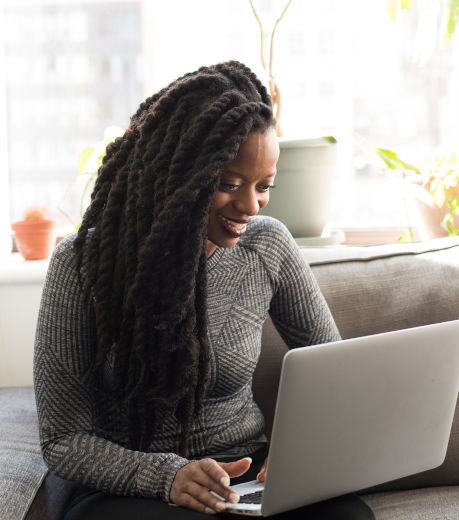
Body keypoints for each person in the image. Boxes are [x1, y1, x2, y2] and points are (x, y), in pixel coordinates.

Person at [34, 61, 375, 520]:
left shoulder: (267, 245)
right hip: (128, 486)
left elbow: (337, 374)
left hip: (243, 471)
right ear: (176, 177)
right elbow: (63, 440)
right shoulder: (80, 264)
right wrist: (168, 478)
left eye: (264, 187)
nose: (250, 205)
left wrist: (302, 454)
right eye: (229, 184)